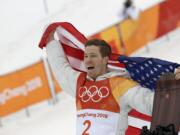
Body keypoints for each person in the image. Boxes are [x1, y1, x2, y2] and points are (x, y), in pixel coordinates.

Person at [44, 30, 180, 135]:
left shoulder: (119, 85)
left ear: (105, 59)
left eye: (93, 56)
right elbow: (61, 69)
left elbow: (154, 104)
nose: (88, 60)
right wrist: (50, 42)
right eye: (86, 56)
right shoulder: (80, 83)